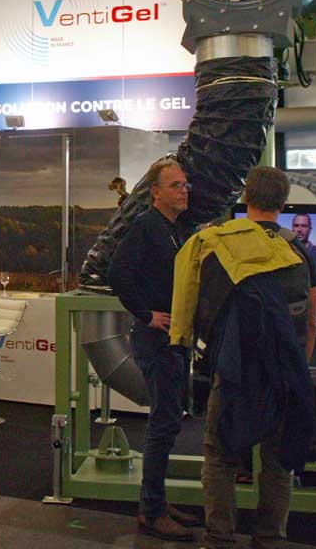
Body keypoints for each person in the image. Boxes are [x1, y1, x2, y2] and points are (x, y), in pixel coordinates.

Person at [171, 166, 316, 549]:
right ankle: (270, 538)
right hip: (284, 374)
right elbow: (310, 325)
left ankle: (219, 537)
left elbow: (199, 312)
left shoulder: (217, 246)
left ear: (246, 198)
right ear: (283, 203)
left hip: (233, 372)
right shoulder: (299, 253)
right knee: (277, 462)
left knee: (219, 456)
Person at [106, 157, 201, 541]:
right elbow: (117, 273)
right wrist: (146, 315)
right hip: (156, 340)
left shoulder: (175, 228)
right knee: (163, 423)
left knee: (169, 420)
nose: (183, 191)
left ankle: (157, 502)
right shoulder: (146, 226)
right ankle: (151, 511)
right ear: (156, 192)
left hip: (174, 338)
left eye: (185, 185)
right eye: (176, 185)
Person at [290, 213, 316, 280]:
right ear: (292, 228)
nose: (299, 230)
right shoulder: (284, 251)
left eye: (304, 226)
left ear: (310, 229)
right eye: (296, 225)